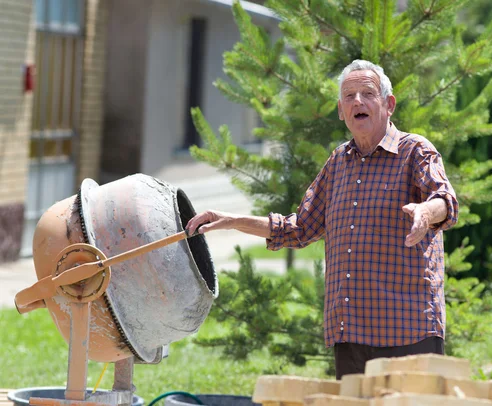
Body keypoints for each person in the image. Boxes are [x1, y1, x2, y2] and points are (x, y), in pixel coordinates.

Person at [185, 59, 459, 379]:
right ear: (341, 111)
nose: (357, 101)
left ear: (389, 104)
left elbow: (446, 201)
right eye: (349, 96)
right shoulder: (338, 162)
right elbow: (299, 229)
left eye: (367, 93)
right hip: (351, 335)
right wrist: (232, 220)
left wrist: (426, 213)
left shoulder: (416, 151)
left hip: (407, 333)